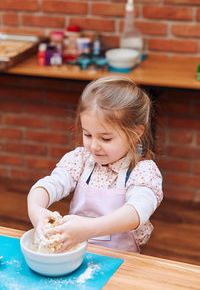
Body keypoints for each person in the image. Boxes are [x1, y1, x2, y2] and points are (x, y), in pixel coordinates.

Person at [27, 75, 163, 253]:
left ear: (135, 133)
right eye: (87, 135)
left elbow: (137, 211)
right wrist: (36, 211)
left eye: (105, 138)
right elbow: (48, 185)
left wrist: (89, 229)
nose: (93, 146)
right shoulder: (81, 160)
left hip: (121, 260)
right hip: (76, 254)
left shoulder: (142, 171)